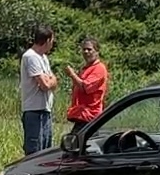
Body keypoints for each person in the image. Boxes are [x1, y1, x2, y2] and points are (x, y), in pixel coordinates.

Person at [19, 25, 57, 155]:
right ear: (47, 40)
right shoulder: (30, 56)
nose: (52, 44)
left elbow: (53, 81)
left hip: (45, 109)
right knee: (34, 151)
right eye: (52, 41)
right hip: (34, 111)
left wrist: (50, 81)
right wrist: (49, 81)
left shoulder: (44, 58)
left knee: (46, 150)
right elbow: (45, 84)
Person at [65, 38, 109, 135]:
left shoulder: (99, 68)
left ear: (97, 51)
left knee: (73, 142)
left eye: (89, 49)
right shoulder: (85, 68)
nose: (86, 52)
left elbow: (85, 88)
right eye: (84, 49)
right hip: (82, 116)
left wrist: (72, 74)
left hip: (90, 117)